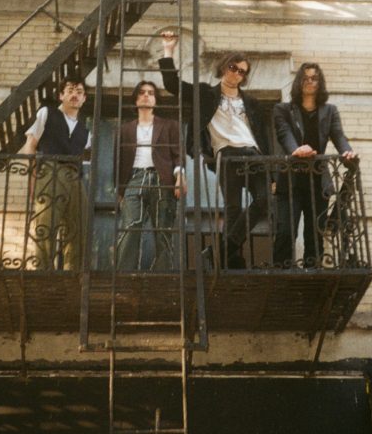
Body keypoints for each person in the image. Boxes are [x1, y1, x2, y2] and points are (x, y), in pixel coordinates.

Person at [159, 30, 272, 269]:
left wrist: (273, 173)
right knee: (233, 208)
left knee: (264, 200)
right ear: (223, 67)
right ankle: (232, 261)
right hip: (227, 154)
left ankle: (224, 248)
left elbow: (263, 138)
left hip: (254, 154)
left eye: (242, 72)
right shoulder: (205, 94)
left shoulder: (252, 103)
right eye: (233, 67)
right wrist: (168, 50)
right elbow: (172, 85)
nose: (236, 74)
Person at [273, 63, 356, 268]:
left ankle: (311, 273)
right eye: (306, 78)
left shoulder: (330, 111)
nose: (310, 81)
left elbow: (338, 136)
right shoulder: (282, 109)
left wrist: (347, 152)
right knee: (285, 232)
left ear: (320, 83)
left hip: (318, 182)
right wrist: (296, 150)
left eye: (314, 78)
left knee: (314, 235)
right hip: (290, 182)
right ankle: (281, 272)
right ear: (299, 82)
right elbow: (284, 134)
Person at [18, 76, 90, 271]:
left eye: (79, 92)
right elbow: (30, 146)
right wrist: (34, 177)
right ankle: (42, 274)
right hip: (51, 170)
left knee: (79, 228)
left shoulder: (85, 130)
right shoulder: (47, 113)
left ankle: (72, 274)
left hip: (75, 176)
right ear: (61, 95)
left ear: (84, 98)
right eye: (70, 90)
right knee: (46, 225)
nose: (75, 95)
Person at [115, 80, 186, 271]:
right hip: (135, 178)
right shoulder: (124, 129)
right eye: (142, 92)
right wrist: (120, 190)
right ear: (136, 99)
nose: (146, 95)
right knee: (131, 226)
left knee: (163, 229)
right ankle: (125, 274)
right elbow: (118, 161)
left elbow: (178, 154)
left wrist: (180, 176)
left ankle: (162, 276)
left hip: (161, 178)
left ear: (156, 100)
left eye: (151, 93)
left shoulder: (170, 126)